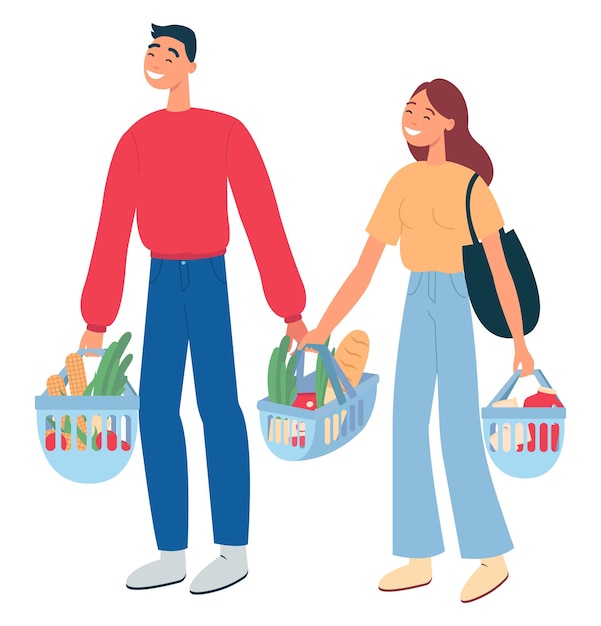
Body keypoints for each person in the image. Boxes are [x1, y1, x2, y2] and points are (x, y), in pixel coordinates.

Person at [79, 23, 307, 594]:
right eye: (151, 50)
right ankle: (171, 551)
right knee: (156, 411)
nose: (157, 58)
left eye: (169, 52)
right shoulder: (135, 138)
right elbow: (111, 229)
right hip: (160, 281)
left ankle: (233, 549)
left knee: (218, 406)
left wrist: (290, 309)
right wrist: (95, 320)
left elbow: (261, 217)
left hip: (208, 278)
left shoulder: (226, 131)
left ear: (191, 66)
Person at [299, 78, 534, 603]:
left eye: (423, 111)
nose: (412, 118)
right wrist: (324, 326)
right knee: (406, 423)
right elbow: (365, 267)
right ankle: (418, 556)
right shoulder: (401, 181)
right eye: (408, 110)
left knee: (456, 428)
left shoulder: (473, 187)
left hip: (452, 301)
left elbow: (499, 270)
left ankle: (490, 556)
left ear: (449, 120)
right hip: (414, 300)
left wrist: (519, 341)